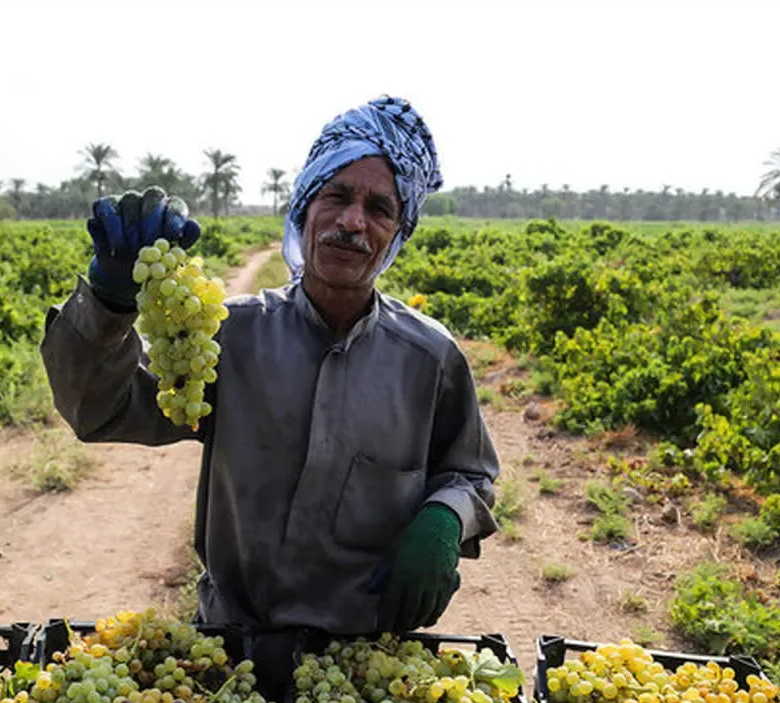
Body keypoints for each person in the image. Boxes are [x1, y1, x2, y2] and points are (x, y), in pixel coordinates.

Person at [41, 95, 500, 638]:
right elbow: (99, 410)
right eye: (337, 195)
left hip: (368, 662)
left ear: (397, 234)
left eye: (380, 209)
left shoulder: (430, 359)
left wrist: (445, 517)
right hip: (233, 649)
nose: (353, 221)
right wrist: (109, 302)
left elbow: (470, 473)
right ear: (306, 204)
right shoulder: (229, 336)